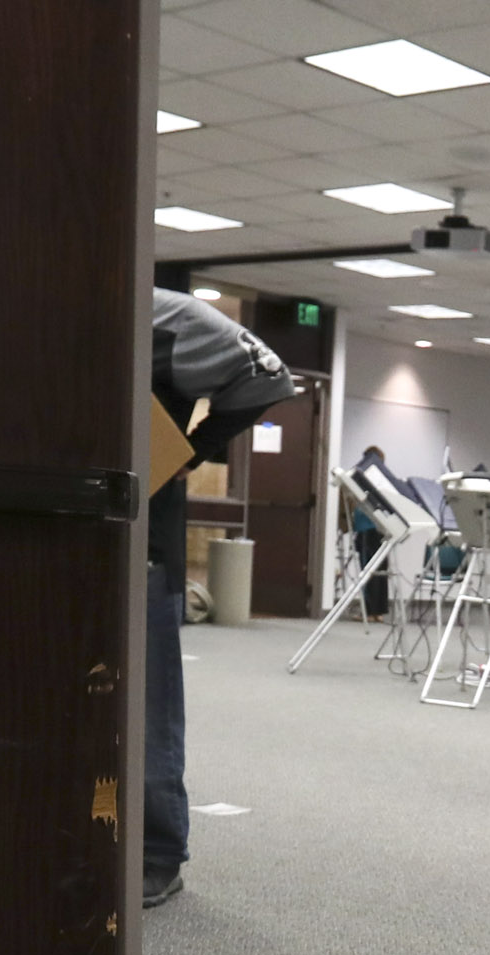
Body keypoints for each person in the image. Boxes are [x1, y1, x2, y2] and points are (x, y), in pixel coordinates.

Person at [146, 288, 302, 908]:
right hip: (56, 531)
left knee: (149, 702)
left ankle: (158, 852)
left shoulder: (163, 315)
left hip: (143, 540)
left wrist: (194, 451)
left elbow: (268, 376)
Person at [348, 444, 394, 622]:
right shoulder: (385, 480)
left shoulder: (364, 479)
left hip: (368, 529)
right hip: (383, 530)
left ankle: (369, 611)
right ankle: (379, 612)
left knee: (369, 570)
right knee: (380, 570)